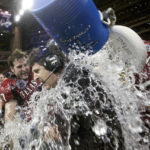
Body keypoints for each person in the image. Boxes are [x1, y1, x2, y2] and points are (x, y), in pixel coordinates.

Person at [28, 44, 125, 150]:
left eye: (37, 71)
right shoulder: (71, 76)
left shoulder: (74, 79)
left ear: (53, 64)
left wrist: (57, 128)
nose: (34, 78)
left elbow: (79, 118)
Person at [0, 49, 40, 123]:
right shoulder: (9, 85)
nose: (24, 69)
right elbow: (9, 113)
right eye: (19, 67)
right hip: (31, 120)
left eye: (25, 65)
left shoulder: (36, 70)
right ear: (12, 69)